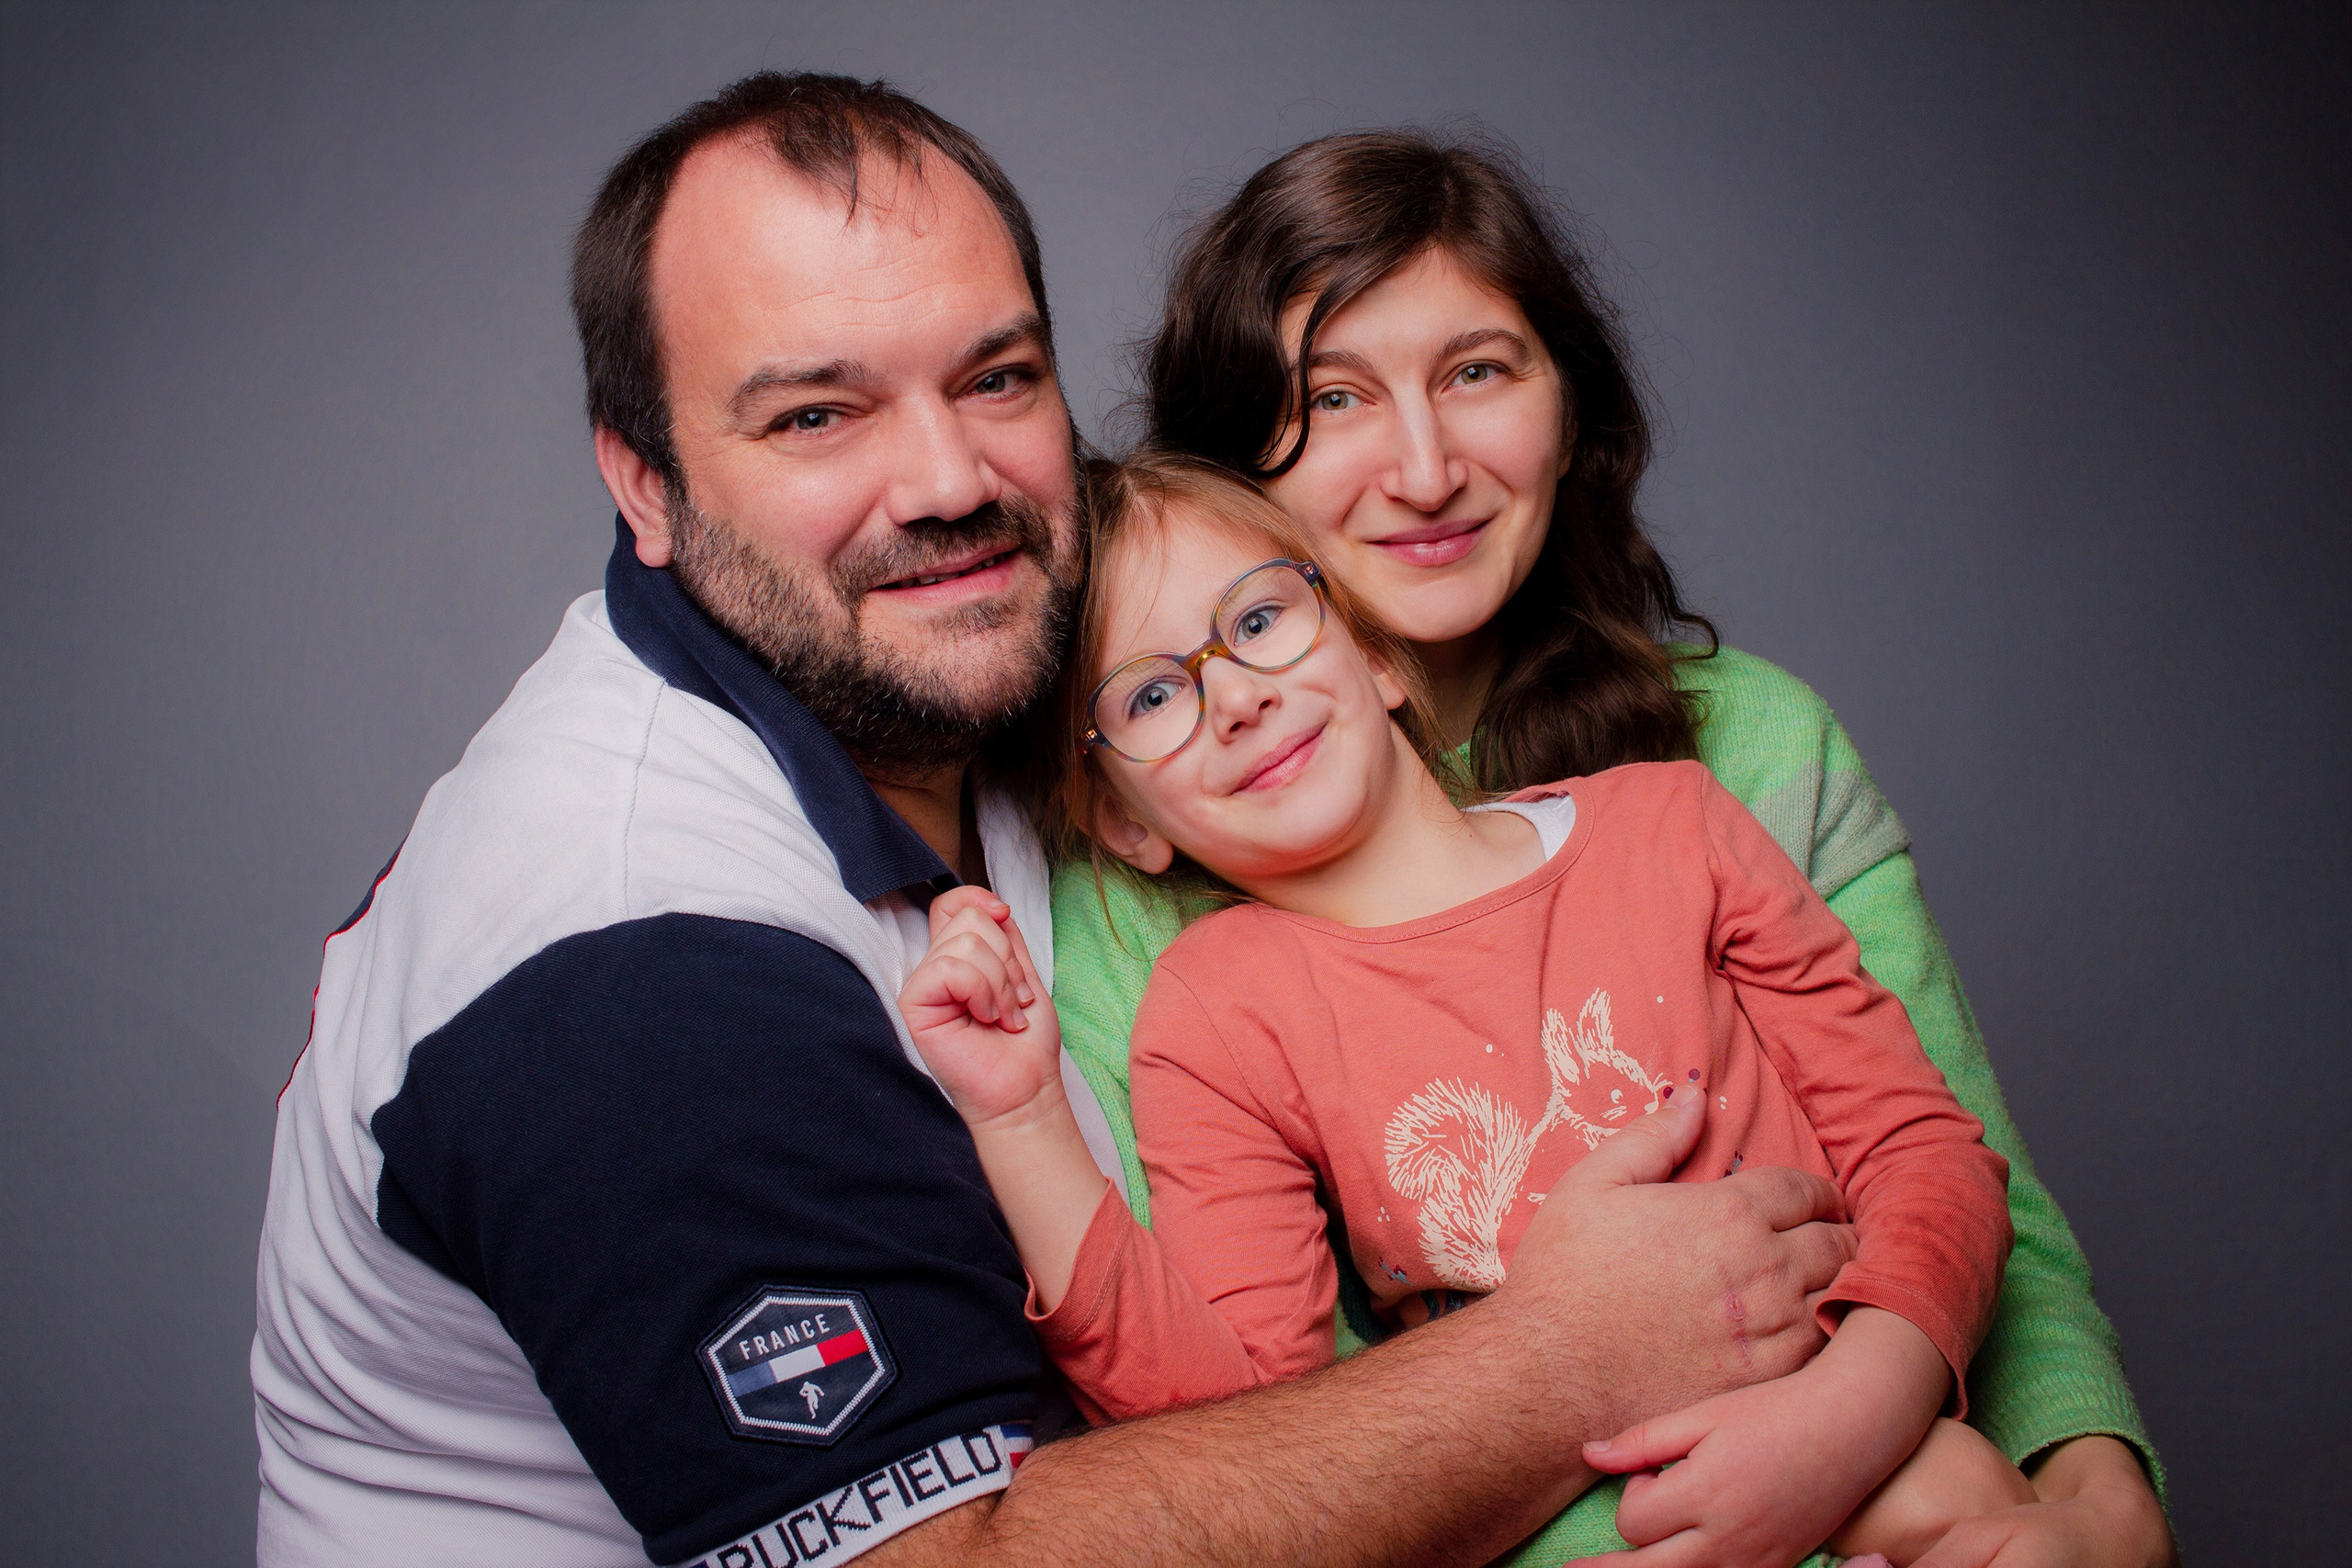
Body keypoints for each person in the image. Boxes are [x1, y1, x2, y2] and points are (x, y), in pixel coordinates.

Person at [250, 73, 1866, 1568]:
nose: (949, 476)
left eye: (997, 376)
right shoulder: (630, 966)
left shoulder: (1027, 688)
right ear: (648, 483)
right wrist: (1568, 1350)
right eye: (817, 414)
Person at [1046, 131, 2178, 1566]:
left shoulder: (1733, 760)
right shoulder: (1169, 921)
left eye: (1479, 370)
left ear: (1570, 406)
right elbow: (1265, 1432)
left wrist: (2097, 1499)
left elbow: (1958, 1177)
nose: (1425, 464)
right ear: (1225, 472)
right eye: (1332, 397)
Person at [899, 453, 2030, 1566]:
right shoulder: (1218, 1010)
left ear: (1377, 655)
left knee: (1963, 1493)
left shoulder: (1673, 827)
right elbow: (1232, 1417)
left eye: (1255, 622)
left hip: (1872, 1434)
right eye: (1151, 695)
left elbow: (1923, 1152)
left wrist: (1856, 1413)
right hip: (1582, 1517)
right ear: (1122, 825)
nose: (1234, 696)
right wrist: (1020, 1116)